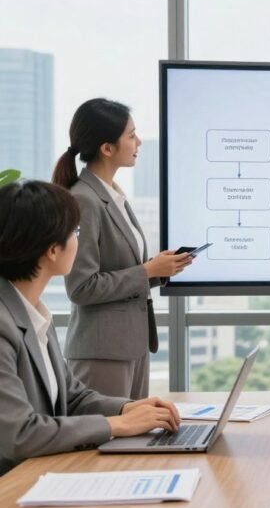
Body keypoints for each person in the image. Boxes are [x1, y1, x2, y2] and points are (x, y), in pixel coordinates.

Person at [0, 181, 181, 476]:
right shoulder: (4, 324)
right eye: (75, 233)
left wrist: (127, 409)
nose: (78, 240)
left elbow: (72, 397)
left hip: (43, 476)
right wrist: (114, 425)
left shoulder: (33, 313)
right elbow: (19, 434)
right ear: (51, 251)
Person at [52, 98, 191, 399]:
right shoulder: (84, 200)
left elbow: (121, 272)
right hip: (103, 352)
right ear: (107, 148)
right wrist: (147, 271)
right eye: (131, 135)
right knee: (108, 443)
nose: (138, 141)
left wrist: (159, 270)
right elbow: (82, 287)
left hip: (131, 347)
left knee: (133, 441)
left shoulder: (113, 196)